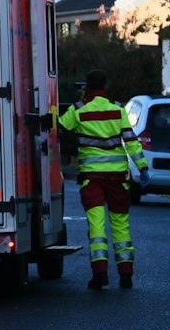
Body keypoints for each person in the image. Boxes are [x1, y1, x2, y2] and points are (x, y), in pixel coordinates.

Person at [57, 69, 148, 290]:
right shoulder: (118, 110)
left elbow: (59, 127)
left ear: (87, 88)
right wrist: (142, 167)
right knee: (121, 226)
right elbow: (131, 141)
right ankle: (126, 275)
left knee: (97, 227)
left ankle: (100, 274)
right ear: (105, 87)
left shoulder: (78, 110)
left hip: (92, 179)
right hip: (118, 179)